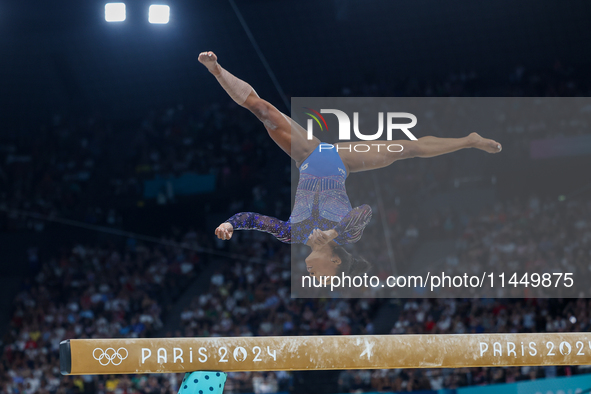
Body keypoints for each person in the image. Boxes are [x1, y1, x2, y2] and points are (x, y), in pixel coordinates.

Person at [199, 51, 502, 279]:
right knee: (408, 148)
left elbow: (254, 219)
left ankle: (216, 71)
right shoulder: (347, 235)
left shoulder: (293, 233)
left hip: (308, 156)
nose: (311, 275)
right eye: (320, 276)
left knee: (263, 110)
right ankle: (468, 140)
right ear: (335, 262)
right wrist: (331, 234)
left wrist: (230, 224)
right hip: (342, 162)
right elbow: (363, 211)